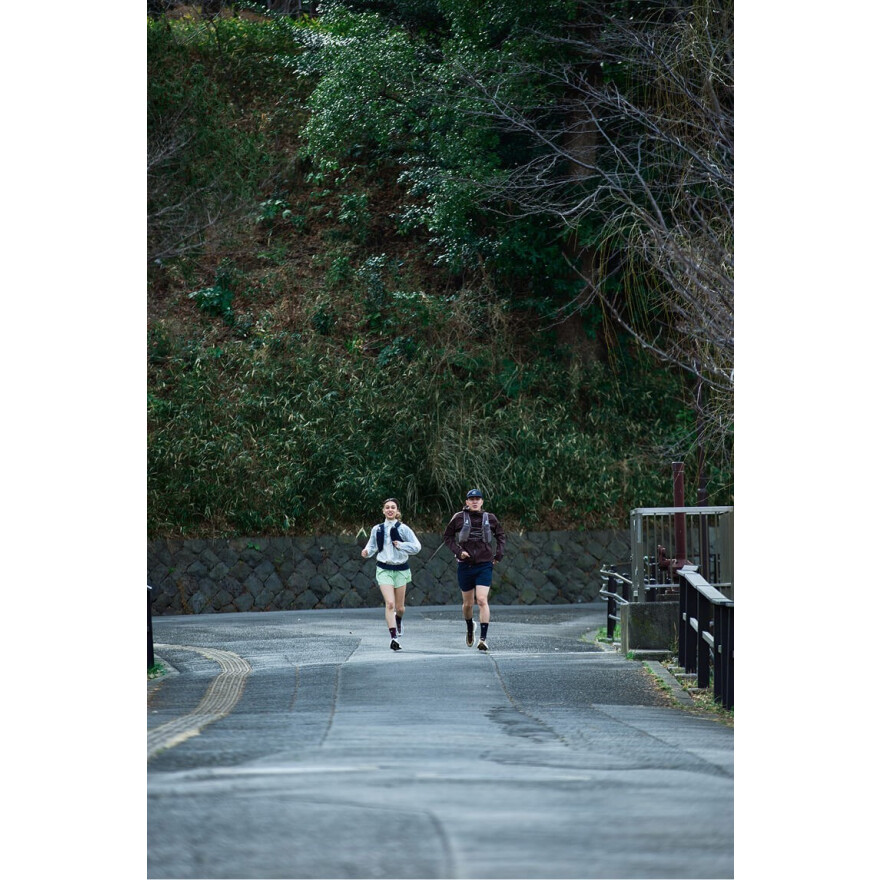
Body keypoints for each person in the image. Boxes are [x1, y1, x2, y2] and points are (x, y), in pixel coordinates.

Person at [442, 489, 506, 651]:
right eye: (472, 499)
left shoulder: (490, 518)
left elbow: (501, 536)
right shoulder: (458, 518)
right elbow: (447, 537)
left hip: (484, 565)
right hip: (465, 565)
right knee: (468, 604)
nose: (475, 502)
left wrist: (498, 554)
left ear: (482, 502)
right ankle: (470, 626)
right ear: (467, 502)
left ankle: (483, 639)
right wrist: (458, 552)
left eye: (478, 499)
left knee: (482, 600)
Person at [361, 498, 422, 651]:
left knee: (400, 608)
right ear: (383, 510)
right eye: (387, 507)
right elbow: (372, 546)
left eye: (392, 507)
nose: (389, 510)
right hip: (384, 569)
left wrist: (401, 545)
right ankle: (393, 638)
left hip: (401, 569)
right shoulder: (377, 529)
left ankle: (398, 619)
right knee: (390, 604)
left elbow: (417, 547)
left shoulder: (403, 529)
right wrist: (367, 552)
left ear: (397, 511)